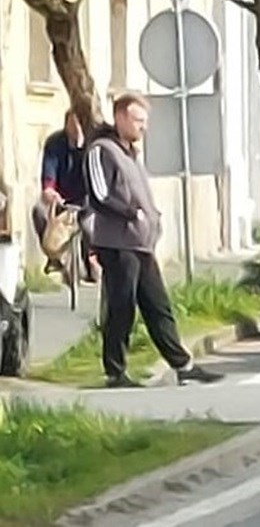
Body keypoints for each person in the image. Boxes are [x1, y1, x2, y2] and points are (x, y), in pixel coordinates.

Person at [84, 92, 223, 388]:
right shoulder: (102, 150)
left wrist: (151, 218)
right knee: (121, 308)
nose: (143, 127)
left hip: (141, 244)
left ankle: (183, 366)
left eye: (145, 121)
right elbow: (99, 194)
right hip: (118, 244)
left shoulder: (130, 153)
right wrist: (131, 213)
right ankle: (115, 371)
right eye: (137, 120)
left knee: (158, 306)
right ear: (120, 117)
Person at [33, 110, 98, 282]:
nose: (76, 129)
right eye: (72, 124)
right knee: (39, 211)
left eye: (80, 124)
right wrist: (49, 191)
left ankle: (92, 259)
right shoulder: (55, 143)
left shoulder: (94, 144)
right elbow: (49, 172)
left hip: (88, 198)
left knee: (89, 225)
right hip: (61, 198)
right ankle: (54, 257)